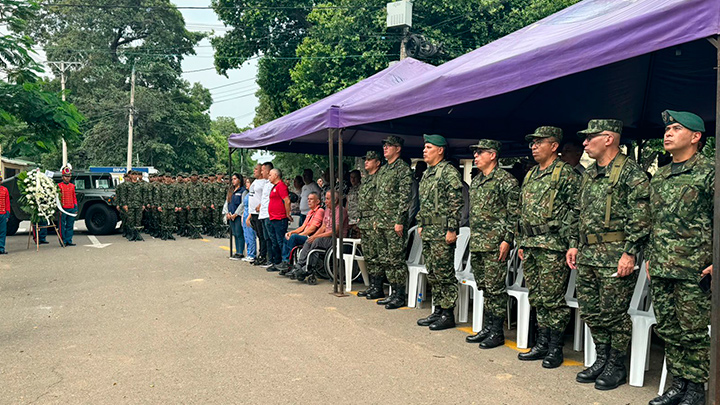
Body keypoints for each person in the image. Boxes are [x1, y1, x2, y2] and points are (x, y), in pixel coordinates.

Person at [566, 119, 650, 389]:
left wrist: (630, 253)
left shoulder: (631, 173)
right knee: (591, 310)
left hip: (615, 254)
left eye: (590, 137)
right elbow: (579, 213)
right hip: (589, 253)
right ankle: (602, 358)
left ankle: (616, 364)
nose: (585, 143)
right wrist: (574, 243)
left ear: (609, 139)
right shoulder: (590, 174)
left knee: (613, 313)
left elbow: (641, 217)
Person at [646, 110, 713, 405]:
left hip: (694, 269)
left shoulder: (710, 172)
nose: (668, 133)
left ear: (695, 137)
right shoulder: (660, 176)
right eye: (667, 129)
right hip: (662, 266)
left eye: (676, 128)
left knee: (693, 333)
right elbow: (653, 221)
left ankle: (696, 390)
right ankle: (679, 384)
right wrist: (650, 257)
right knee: (670, 329)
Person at [517, 126, 579, 368]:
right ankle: (542, 342)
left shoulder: (565, 174)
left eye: (539, 142)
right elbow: (522, 211)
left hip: (553, 245)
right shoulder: (532, 174)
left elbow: (577, 211)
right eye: (532, 142)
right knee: (538, 297)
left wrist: (572, 244)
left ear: (554, 146)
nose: (533, 146)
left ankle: (555, 347)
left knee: (553, 299)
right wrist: (521, 241)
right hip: (531, 244)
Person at [465, 139, 520, 348]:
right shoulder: (478, 181)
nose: (475, 157)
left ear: (493, 155)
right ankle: (488, 327)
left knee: (496, 289)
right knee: (485, 287)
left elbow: (514, 214)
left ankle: (497, 331)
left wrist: (507, 239)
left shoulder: (506, 181)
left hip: (496, 244)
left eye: (480, 153)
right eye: (475, 153)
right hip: (478, 242)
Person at [416, 134, 463, 331]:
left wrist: (452, 229)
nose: (424, 151)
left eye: (428, 147)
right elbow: (424, 202)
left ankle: (447, 313)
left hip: (442, 231)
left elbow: (455, 204)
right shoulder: (428, 173)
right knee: (433, 272)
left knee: (444, 273)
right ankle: (438, 309)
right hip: (428, 230)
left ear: (440, 150)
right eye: (425, 147)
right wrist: (420, 222)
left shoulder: (449, 172)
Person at [374, 135, 413, 309]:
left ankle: (399, 294)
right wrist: (375, 218)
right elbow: (378, 196)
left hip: (394, 223)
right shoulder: (383, 170)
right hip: (381, 221)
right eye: (384, 145)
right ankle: (392, 292)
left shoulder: (402, 169)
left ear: (398, 149)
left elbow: (405, 198)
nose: (385, 148)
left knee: (396, 259)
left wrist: (400, 221)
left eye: (389, 145)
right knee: (385, 258)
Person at [289, 190, 348, 282]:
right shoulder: (328, 210)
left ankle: (308, 267)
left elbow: (334, 231)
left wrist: (317, 237)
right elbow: (323, 227)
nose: (325, 201)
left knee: (316, 241)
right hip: (326, 237)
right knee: (309, 240)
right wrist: (314, 236)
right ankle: (299, 265)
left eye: (328, 199)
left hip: (336, 239)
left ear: (335, 200)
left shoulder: (340, 211)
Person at [277, 191, 324, 275]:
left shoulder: (320, 211)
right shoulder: (310, 212)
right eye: (308, 199)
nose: (309, 201)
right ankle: (285, 261)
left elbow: (312, 229)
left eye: (311, 199)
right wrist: (292, 232)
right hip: (305, 234)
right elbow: (303, 227)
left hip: (311, 237)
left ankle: (289, 263)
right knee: (287, 235)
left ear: (317, 201)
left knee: (294, 237)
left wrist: (299, 235)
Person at [356, 151, 382, 298]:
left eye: (370, 160)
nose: (366, 162)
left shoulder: (379, 178)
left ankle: (377, 286)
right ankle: (372, 285)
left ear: (377, 163)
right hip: (365, 221)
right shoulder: (366, 179)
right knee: (369, 255)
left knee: (375, 254)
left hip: (374, 220)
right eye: (365, 159)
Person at [265, 168, 291, 270]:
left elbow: (287, 201)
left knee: (280, 241)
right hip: (273, 217)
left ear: (276, 175)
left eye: (270, 175)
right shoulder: (274, 187)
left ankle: (283, 262)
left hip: (279, 218)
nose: (269, 177)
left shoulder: (281, 186)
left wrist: (287, 213)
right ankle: (277, 262)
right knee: (274, 241)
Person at [246, 165, 268, 265]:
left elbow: (265, 196)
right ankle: (260, 254)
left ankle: (263, 255)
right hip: (253, 213)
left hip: (260, 213)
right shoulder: (255, 182)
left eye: (256, 169)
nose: (254, 171)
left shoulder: (264, 183)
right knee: (258, 235)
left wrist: (261, 205)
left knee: (262, 235)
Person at [255, 162, 275, 267]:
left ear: (268, 171)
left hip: (268, 214)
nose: (261, 172)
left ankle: (272, 260)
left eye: (262, 170)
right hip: (262, 213)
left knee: (271, 238)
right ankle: (268, 259)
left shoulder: (272, 184)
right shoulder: (266, 183)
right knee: (265, 237)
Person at [226, 173, 246, 259]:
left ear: (239, 180)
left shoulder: (243, 190)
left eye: (235, 179)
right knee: (234, 233)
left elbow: (243, 204)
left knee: (239, 233)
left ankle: (240, 252)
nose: (233, 181)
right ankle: (237, 251)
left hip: (238, 215)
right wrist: (227, 213)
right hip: (231, 215)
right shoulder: (231, 190)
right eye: (232, 179)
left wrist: (236, 214)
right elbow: (227, 202)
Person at [58, 166, 78, 246]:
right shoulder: (59, 186)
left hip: (71, 208)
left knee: (70, 225)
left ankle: (69, 240)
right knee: (62, 226)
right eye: (66, 176)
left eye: (69, 176)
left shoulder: (72, 186)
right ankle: (63, 241)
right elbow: (58, 199)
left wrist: (75, 207)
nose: (67, 178)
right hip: (63, 209)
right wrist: (59, 209)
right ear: (62, 177)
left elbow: (74, 198)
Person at [241, 177, 256, 262]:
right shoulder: (247, 194)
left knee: (251, 236)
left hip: (250, 215)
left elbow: (252, 206)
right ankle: (249, 253)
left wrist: (249, 218)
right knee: (246, 236)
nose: (246, 184)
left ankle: (252, 254)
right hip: (245, 214)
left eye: (248, 182)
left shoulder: (253, 195)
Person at [157, 173, 177, 240]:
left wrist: (176, 206)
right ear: (164, 178)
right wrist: (159, 206)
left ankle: (170, 234)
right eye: (167, 177)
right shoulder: (161, 186)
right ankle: (164, 234)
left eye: (169, 177)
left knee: (171, 221)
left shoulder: (173, 187)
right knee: (164, 220)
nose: (168, 178)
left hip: (171, 206)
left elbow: (176, 197)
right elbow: (158, 196)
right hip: (164, 206)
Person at [408, 161, 426, 227]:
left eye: (420, 168)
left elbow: (414, 203)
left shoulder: (425, 182)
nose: (417, 170)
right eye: (417, 168)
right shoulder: (414, 181)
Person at [345, 170, 361, 239]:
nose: (353, 179)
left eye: (355, 177)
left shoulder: (361, 188)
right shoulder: (350, 189)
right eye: (351, 177)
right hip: (349, 218)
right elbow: (348, 203)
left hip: (356, 219)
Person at [0, 173, 10, 254]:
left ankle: (1, 248)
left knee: (3, 232)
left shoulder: (5, 190)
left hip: (2, 213)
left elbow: (7, 203)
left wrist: (7, 214)